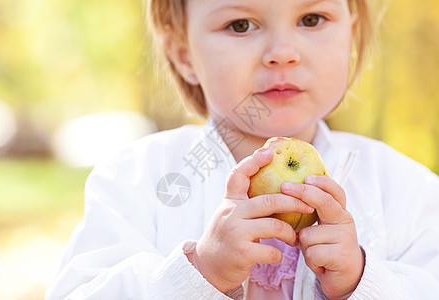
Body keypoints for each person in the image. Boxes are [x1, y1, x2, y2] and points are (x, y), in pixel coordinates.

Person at [46, 0, 439, 299]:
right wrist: (198, 273)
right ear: (183, 54)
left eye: (311, 19)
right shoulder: (136, 179)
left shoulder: (405, 188)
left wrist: (362, 281)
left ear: (351, 34)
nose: (283, 52)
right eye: (241, 24)